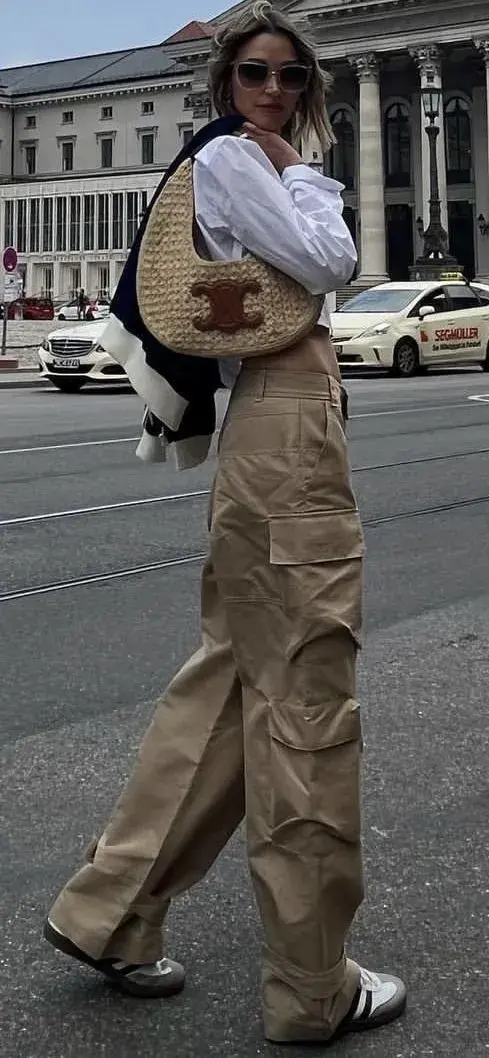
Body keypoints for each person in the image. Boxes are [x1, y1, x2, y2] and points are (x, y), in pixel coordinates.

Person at [44, 2, 406, 1044]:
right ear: (225, 80)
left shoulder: (242, 158)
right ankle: (310, 983)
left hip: (268, 432)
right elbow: (332, 261)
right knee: (305, 692)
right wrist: (299, 168)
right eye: (257, 72)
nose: (276, 92)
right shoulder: (244, 162)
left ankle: (109, 912)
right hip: (286, 427)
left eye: (294, 76)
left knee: (232, 680)